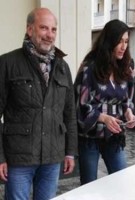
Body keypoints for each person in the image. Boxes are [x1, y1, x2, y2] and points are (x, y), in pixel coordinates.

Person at [0, 8, 77, 199]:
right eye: (43, 28)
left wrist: (70, 152)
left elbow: (70, 113)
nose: (49, 35)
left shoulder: (62, 66)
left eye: (53, 29)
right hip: (19, 157)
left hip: (52, 156)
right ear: (29, 29)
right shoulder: (7, 63)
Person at [74, 19, 135, 185]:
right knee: (89, 186)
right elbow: (80, 105)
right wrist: (103, 117)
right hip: (89, 137)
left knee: (122, 181)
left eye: (126, 42)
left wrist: (129, 113)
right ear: (109, 41)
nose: (124, 47)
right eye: (119, 41)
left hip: (114, 136)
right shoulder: (89, 68)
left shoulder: (124, 69)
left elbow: (127, 100)